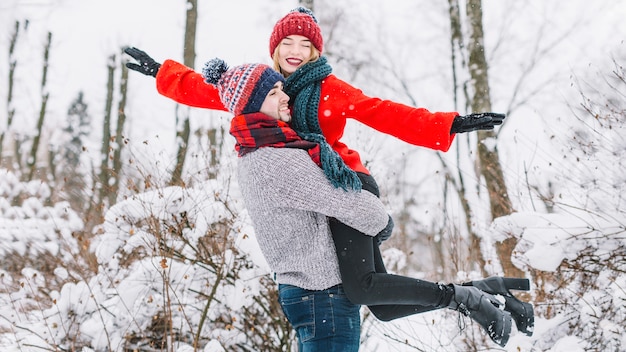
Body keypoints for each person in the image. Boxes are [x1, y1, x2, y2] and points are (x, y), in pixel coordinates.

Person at [124, 6, 532, 343]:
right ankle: (484, 291)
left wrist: (449, 123)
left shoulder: (329, 89)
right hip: (313, 191)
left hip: (345, 185)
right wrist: (162, 71)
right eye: (288, 42)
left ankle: (465, 299)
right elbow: (206, 89)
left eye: (306, 44)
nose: (296, 50)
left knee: (360, 288)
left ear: (317, 51)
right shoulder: (264, 90)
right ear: (275, 48)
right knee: (383, 306)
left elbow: (383, 111)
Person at [197, 57, 515, 349]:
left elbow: (382, 112)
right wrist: (379, 221)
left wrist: (447, 124)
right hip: (321, 296)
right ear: (251, 108)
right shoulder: (279, 159)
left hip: (309, 294)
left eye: (282, 88)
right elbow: (368, 213)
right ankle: (472, 295)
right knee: (379, 301)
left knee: (377, 300)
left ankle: (472, 296)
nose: (285, 98)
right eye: (273, 94)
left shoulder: (252, 153)